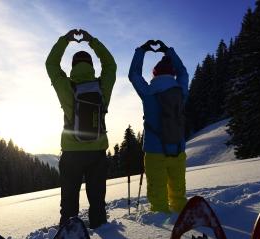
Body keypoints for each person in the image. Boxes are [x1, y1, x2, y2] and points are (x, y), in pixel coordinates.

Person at [46, 29, 117, 228]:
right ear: (92, 66)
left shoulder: (66, 86)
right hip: (97, 152)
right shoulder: (102, 86)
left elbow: (50, 64)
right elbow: (110, 65)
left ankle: (69, 235)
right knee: (97, 201)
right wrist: (92, 41)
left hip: (71, 152)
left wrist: (65, 40)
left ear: (73, 67)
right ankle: (102, 229)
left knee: (69, 202)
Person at [128, 39, 188, 214]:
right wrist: (168, 51)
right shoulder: (180, 92)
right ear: (172, 74)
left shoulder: (148, 93)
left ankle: (162, 223)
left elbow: (134, 75)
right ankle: (182, 216)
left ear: (155, 75)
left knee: (158, 195)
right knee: (178, 192)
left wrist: (142, 51)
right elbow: (183, 73)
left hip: (155, 152)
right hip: (177, 148)